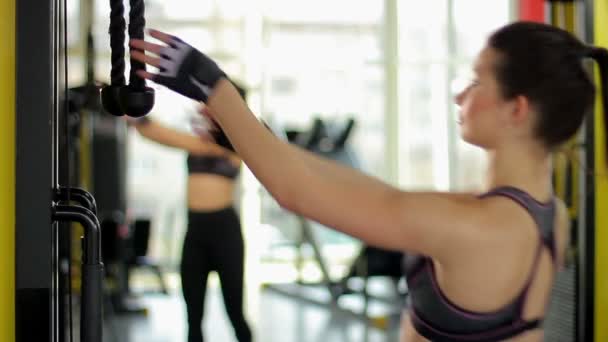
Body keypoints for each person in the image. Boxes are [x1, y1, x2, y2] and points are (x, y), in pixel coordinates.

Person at [130, 21, 607, 342]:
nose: (463, 93)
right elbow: (366, 192)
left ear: (516, 109)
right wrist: (247, 132)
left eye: (479, 81)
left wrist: (215, 88)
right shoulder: (545, 218)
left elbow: (295, 191)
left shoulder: (476, 227)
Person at [126, 83, 252, 342]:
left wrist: (216, 115)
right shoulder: (198, 141)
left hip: (225, 233)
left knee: (235, 313)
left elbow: (211, 146)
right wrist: (137, 115)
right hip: (195, 232)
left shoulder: (240, 145)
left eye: (212, 104)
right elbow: (161, 135)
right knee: (193, 316)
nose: (205, 108)